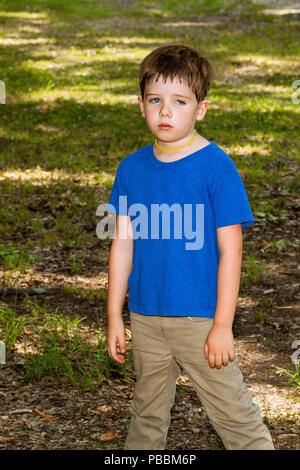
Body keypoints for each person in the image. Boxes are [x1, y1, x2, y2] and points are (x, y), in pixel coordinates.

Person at [105, 43, 275, 450]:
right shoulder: (131, 169)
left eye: (179, 101)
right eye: (155, 100)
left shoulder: (216, 166)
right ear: (141, 105)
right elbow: (122, 244)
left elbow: (231, 251)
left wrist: (222, 325)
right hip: (145, 318)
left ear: (200, 108)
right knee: (146, 416)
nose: (166, 112)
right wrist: (114, 314)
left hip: (201, 320)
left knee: (237, 420)